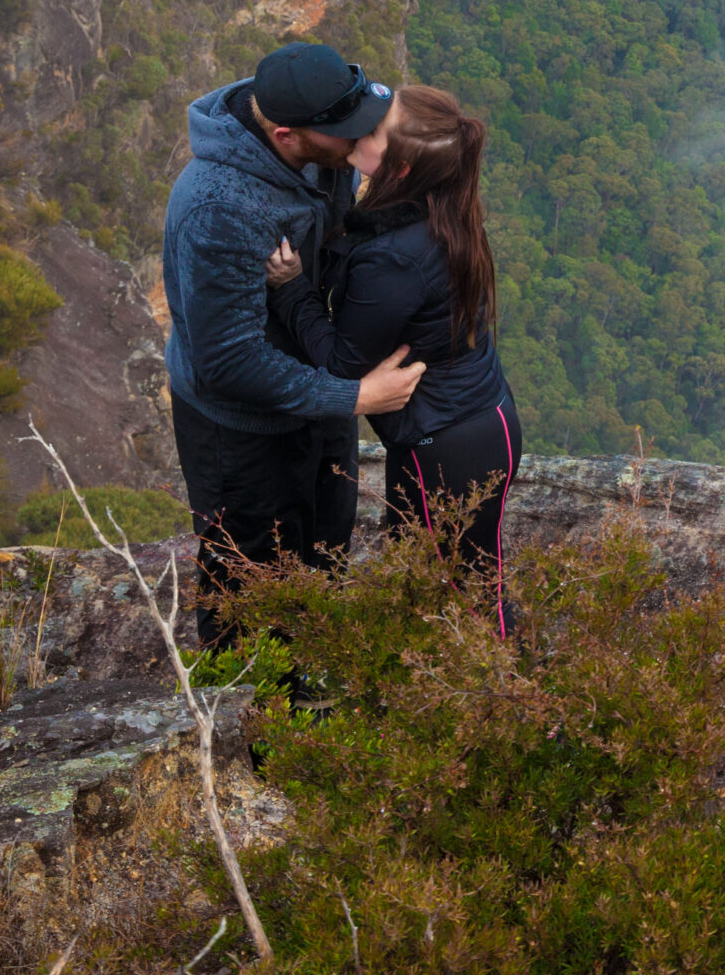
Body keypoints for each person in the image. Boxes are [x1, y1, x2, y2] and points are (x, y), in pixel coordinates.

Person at [162, 42, 426, 643]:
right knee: (250, 590)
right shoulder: (220, 206)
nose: (361, 144)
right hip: (242, 434)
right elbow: (228, 362)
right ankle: (252, 729)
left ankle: (312, 716)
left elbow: (337, 233)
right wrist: (357, 395)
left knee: (325, 560)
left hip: (318, 389)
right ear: (286, 135)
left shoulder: (319, 136)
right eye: (348, 135)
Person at [264, 85, 523, 633]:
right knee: (445, 583)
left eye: (378, 127)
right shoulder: (443, 207)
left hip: (445, 443)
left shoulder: (394, 257)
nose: (365, 124)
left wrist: (290, 291)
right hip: (474, 421)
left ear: (399, 169)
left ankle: (509, 708)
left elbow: (341, 366)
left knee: (461, 594)